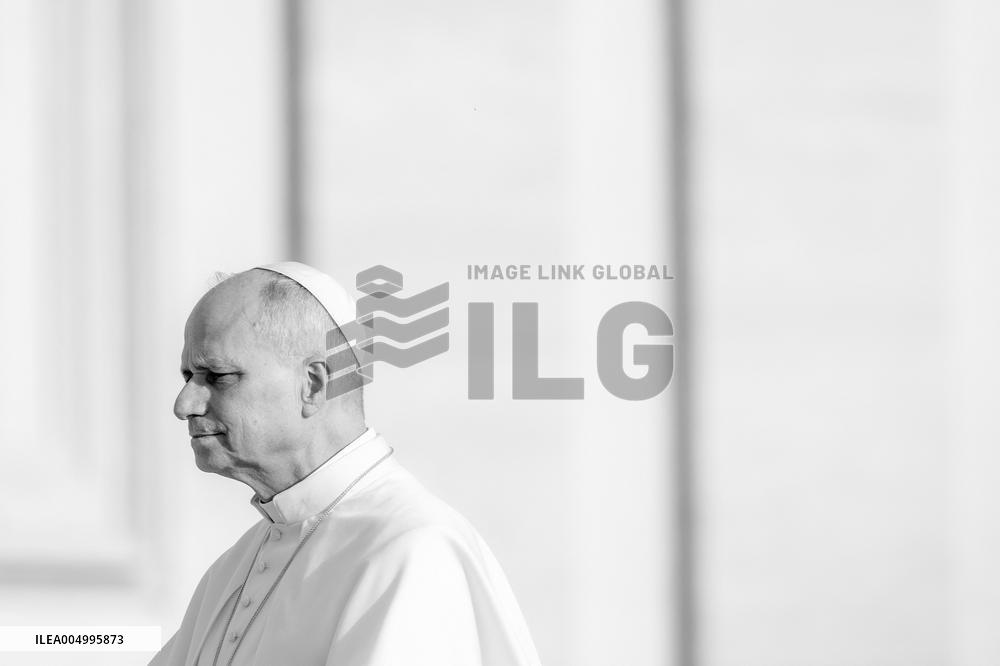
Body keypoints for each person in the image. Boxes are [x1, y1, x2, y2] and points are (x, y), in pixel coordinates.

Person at [152, 261, 541, 666]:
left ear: (313, 384)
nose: (184, 405)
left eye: (217, 375)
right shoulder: (233, 569)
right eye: (187, 376)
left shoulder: (410, 550)